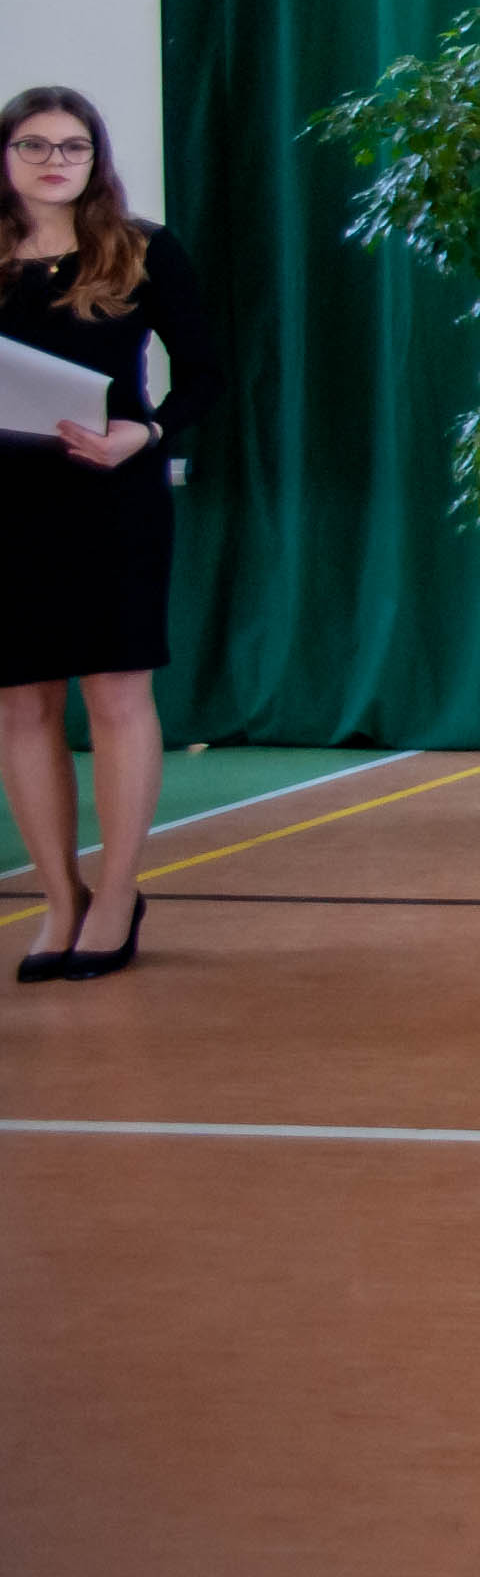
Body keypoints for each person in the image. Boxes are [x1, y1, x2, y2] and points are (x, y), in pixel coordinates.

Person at [2, 86, 215, 986]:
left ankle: (119, 893)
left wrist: (148, 431)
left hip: (111, 493)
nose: (55, 161)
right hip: (7, 501)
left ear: (96, 158)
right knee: (21, 704)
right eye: (35, 144)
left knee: (118, 693)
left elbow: (204, 374)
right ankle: (59, 897)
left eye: (73, 146)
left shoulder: (142, 248)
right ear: (5, 155)